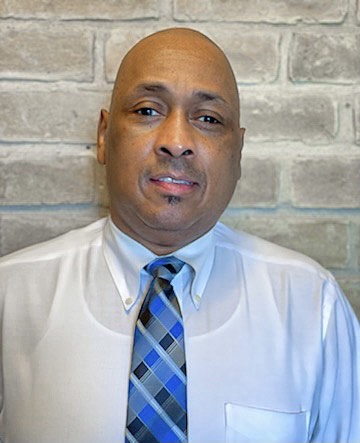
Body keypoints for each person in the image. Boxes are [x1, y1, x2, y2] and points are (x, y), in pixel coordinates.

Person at [0, 27, 359, 443]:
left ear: (238, 152)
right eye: (147, 111)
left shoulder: (313, 307)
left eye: (208, 119)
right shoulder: (10, 296)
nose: (175, 142)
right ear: (103, 136)